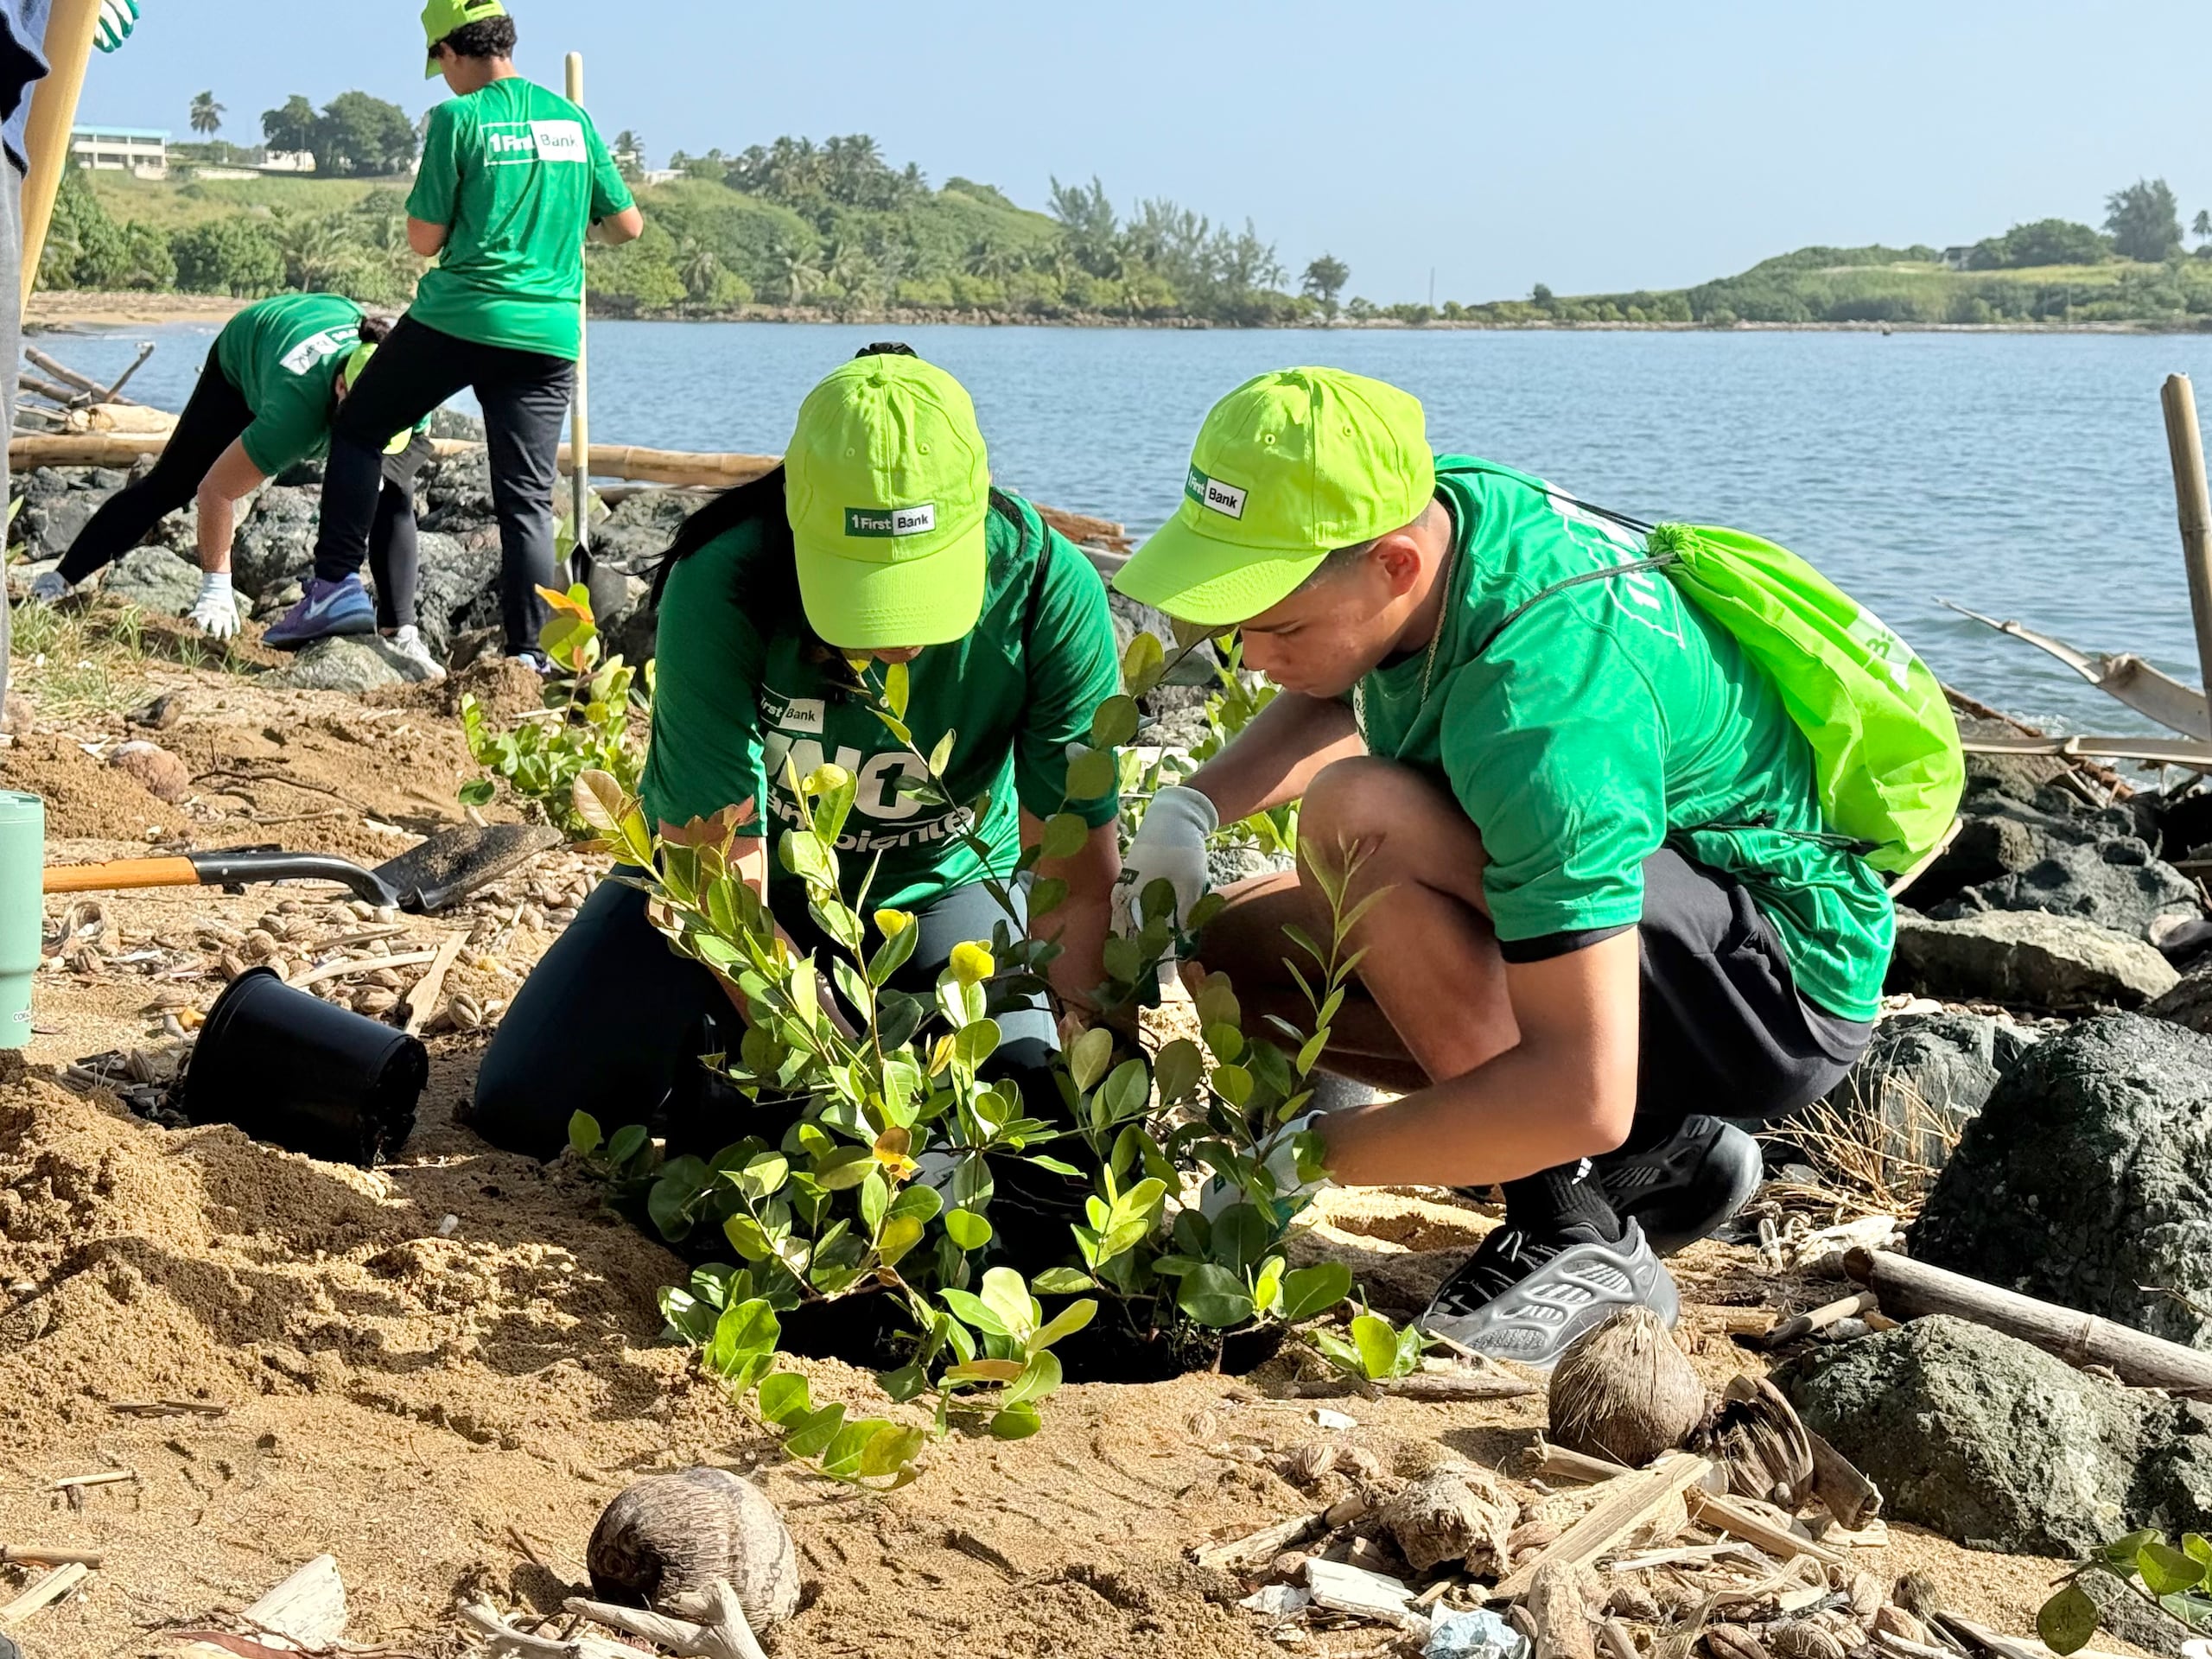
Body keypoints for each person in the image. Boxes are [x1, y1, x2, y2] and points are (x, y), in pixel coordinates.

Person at [1110, 367, 1892, 1366]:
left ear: (1395, 564)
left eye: (1278, 625)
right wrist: (1191, 806)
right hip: (1659, 907)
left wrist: (1309, 1161)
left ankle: (1572, 1229)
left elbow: (1579, 1091)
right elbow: (1355, 663)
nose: (1249, 655)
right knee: (1239, 958)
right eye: (1239, 618)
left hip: (1773, 982)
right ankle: (1660, 1157)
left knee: (1359, 820)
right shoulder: (1441, 508)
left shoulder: (1544, 713)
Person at [471, 348, 1126, 1199]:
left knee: (1038, 1149)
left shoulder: (1046, 589)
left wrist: (1102, 1070)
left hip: (938, 890)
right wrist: (845, 1074)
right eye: (861, 593)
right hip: (747, 886)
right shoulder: (724, 579)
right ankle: (719, 1055)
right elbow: (719, 883)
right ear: (798, 518)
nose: (898, 641)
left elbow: (1071, 884)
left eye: (925, 591)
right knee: (524, 1109)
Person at [265, 0, 642, 662]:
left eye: (439, 65)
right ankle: (529, 653)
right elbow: (625, 226)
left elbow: (423, 238)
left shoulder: (457, 118)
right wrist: (569, 223)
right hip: (548, 332)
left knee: (359, 427)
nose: (443, 78)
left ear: (450, 51)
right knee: (525, 497)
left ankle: (335, 588)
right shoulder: (573, 120)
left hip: (462, 315)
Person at [28, 296, 442, 668]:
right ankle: (57, 580)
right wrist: (217, 588)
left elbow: (395, 477)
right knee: (175, 483)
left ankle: (401, 632)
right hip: (251, 344)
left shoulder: (411, 391)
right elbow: (217, 491)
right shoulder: (294, 413)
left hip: (331, 314)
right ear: (339, 389)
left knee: (393, 495)